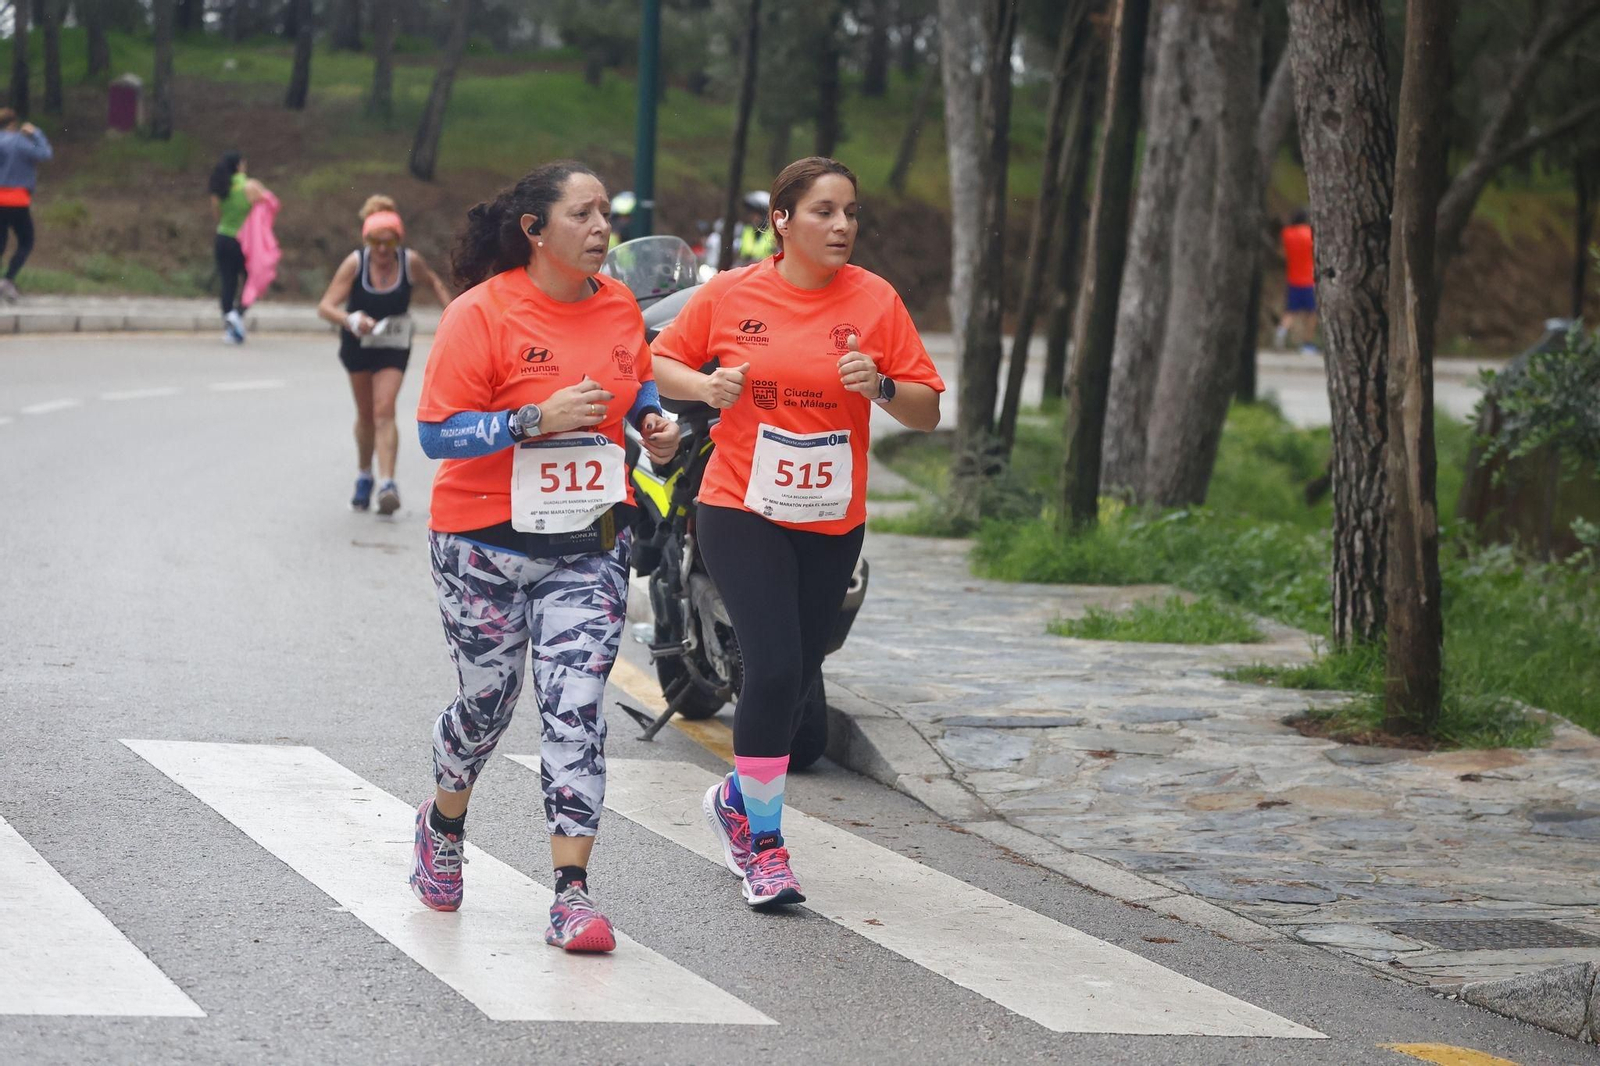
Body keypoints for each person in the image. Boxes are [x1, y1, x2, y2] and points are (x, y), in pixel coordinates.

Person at [652, 156, 943, 909]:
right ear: (782, 221)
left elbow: (925, 409)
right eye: (824, 211)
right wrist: (705, 385)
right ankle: (766, 844)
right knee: (773, 669)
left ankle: (734, 802)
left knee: (798, 671)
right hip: (740, 507)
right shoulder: (730, 294)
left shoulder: (876, 301)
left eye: (850, 211)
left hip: (831, 518)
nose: (842, 225)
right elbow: (660, 362)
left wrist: (878, 385)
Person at [408, 161, 681, 952]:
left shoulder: (621, 306)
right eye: (583, 214)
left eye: (606, 214)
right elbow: (437, 433)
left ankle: (572, 896)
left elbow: (637, 394)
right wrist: (531, 418)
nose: (602, 229)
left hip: (588, 544)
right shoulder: (479, 315)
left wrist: (654, 426)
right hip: (481, 542)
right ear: (535, 230)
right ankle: (444, 821)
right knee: (488, 705)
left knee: (576, 708)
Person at [316, 196, 453, 515]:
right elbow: (325, 306)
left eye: (387, 242)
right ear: (366, 240)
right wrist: (351, 320)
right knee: (366, 415)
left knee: (384, 410)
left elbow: (432, 280)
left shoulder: (409, 261)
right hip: (358, 345)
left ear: (397, 240)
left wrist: (453, 315)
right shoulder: (355, 263)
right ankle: (365, 474)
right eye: (374, 242)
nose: (380, 249)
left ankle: (388, 484)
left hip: (393, 345)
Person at [207, 151, 272, 344]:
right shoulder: (251, 186)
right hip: (245, 242)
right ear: (239, 165)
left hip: (223, 238)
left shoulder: (220, 187)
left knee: (228, 283)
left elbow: (217, 215)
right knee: (253, 281)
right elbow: (269, 206)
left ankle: (230, 328)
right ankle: (238, 314)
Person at [0, 109, 52, 302]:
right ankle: (8, 279)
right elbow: (45, 154)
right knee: (26, 241)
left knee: (1, 242)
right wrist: (36, 133)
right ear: (13, 123)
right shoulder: (19, 141)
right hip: (17, 199)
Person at [1277, 208, 1317, 353]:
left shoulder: (1287, 234)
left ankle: (1281, 331)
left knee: (1290, 311)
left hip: (1293, 278)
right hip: (1308, 280)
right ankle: (1307, 343)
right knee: (1312, 313)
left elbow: (1282, 253)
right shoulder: (1310, 234)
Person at [734, 190, 776, 266]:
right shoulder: (746, 231)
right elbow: (738, 255)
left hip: (767, 273)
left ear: (764, 215)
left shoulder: (774, 234)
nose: (752, 217)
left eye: (756, 214)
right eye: (751, 214)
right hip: (747, 272)